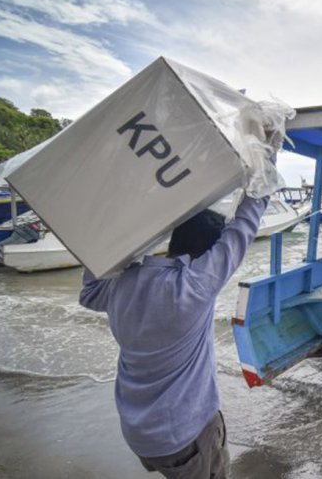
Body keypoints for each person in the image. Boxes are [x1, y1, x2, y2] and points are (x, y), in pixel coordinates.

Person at [79, 195, 267, 479]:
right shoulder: (193, 286)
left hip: (139, 433)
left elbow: (89, 293)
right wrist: (266, 165)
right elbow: (243, 230)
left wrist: (124, 242)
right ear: (205, 254)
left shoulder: (124, 281)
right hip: (184, 435)